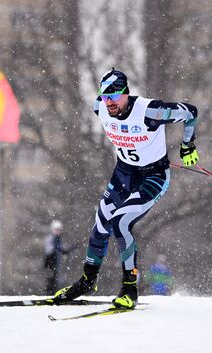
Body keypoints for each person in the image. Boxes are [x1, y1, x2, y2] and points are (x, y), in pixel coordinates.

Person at [49, 68, 199, 309]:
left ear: (126, 94)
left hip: (154, 176)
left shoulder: (150, 111)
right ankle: (87, 281)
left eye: (114, 96)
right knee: (100, 225)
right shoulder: (99, 108)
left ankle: (130, 289)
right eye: (104, 96)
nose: (109, 102)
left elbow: (190, 112)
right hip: (124, 174)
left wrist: (187, 146)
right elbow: (102, 107)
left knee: (121, 222)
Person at [43, 220, 75, 295]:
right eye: (56, 230)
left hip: (56, 263)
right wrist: (61, 251)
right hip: (50, 262)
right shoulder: (50, 238)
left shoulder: (58, 239)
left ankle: (52, 294)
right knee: (50, 280)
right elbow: (50, 251)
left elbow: (60, 249)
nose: (58, 232)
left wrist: (66, 251)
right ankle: (49, 294)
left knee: (55, 280)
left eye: (59, 230)